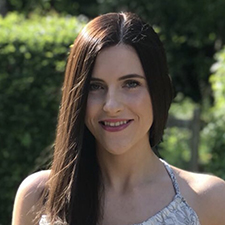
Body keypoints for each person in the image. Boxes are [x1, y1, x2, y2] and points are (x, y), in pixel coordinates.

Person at [12, 12, 225, 225]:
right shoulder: (39, 197)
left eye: (131, 83)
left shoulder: (209, 201)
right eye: (95, 87)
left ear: (158, 90)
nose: (111, 106)